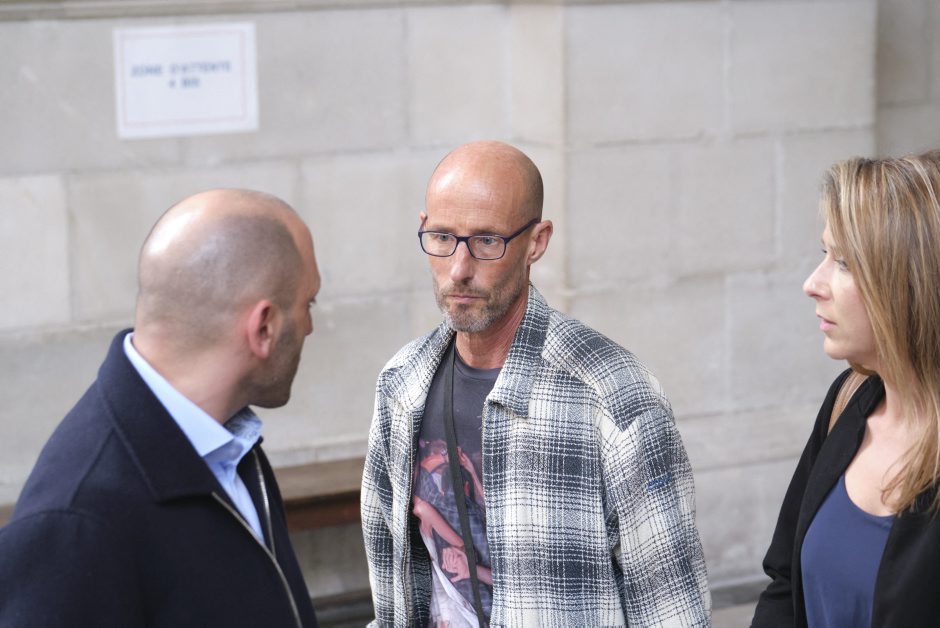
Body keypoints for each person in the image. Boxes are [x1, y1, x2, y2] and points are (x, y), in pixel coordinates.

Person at [361, 140, 710, 626]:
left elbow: (673, 612)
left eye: (488, 241)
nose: (459, 269)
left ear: (537, 242)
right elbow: (391, 599)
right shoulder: (402, 384)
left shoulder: (614, 398)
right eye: (442, 237)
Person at [0, 189, 321, 627]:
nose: (310, 326)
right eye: (307, 304)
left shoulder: (229, 445)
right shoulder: (72, 526)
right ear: (263, 327)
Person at [752, 150, 940, 627]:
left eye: (845, 262)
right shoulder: (850, 398)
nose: (812, 284)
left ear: (911, 282)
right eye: (825, 254)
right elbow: (785, 584)